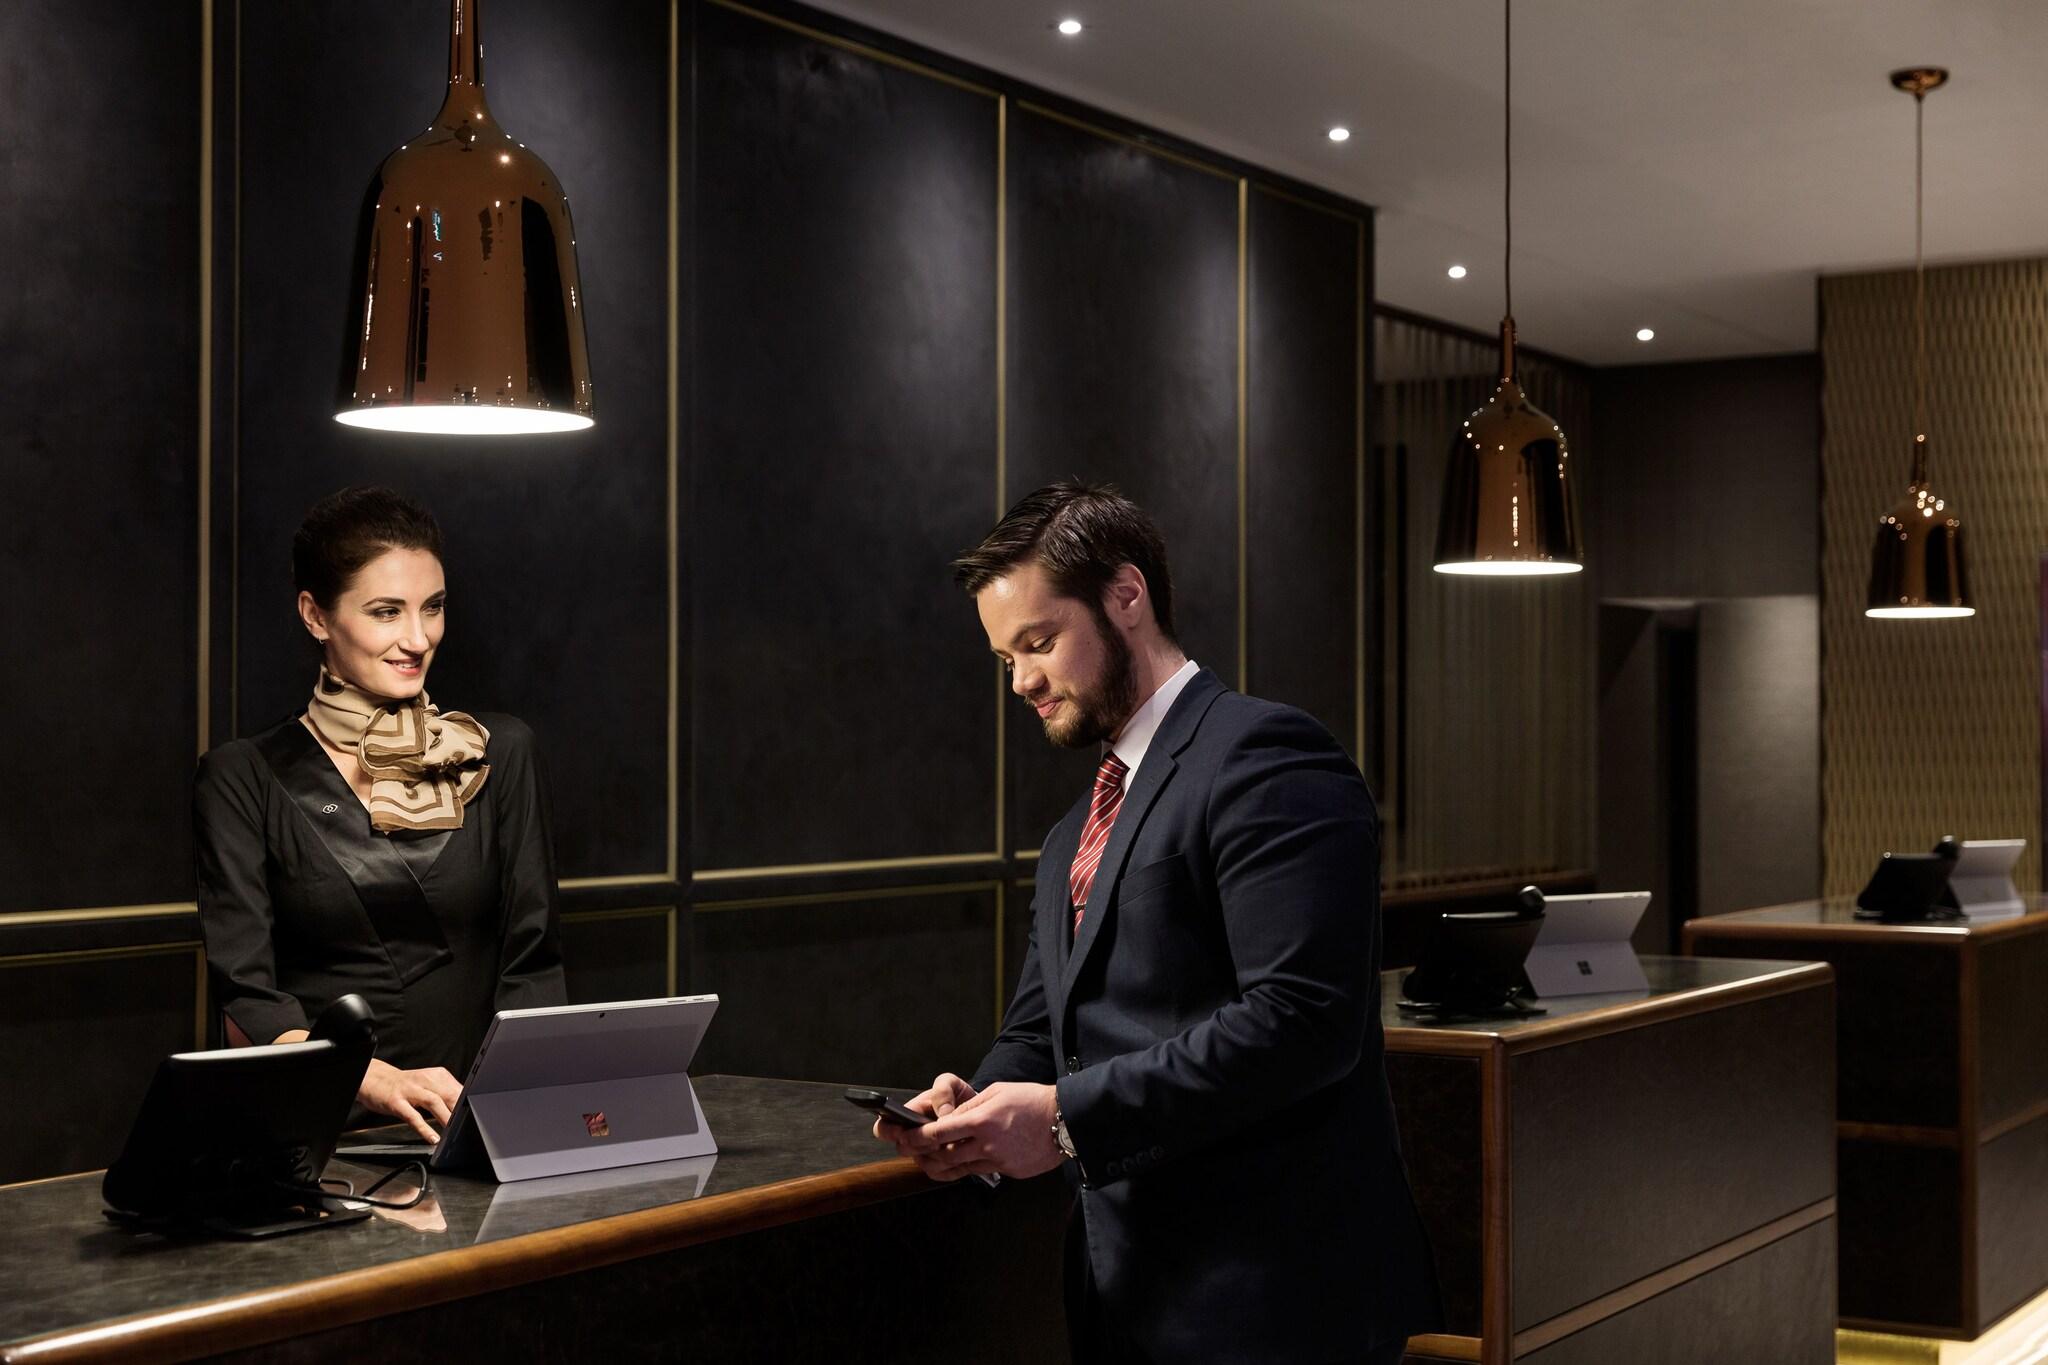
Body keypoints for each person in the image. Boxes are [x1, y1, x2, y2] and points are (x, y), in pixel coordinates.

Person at [877, 482, 1440, 1364]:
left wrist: (1062, 1119)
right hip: (1127, 1296)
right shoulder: (1071, 835)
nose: (1022, 680)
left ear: (1126, 595)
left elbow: (1301, 1022)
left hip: (1276, 1301)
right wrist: (973, 1113)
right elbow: (1043, 1030)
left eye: (1039, 642)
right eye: (1005, 658)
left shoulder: (1267, 755)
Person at [194, 486, 566, 1142]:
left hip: (479, 1124)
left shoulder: (498, 752)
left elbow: (533, 967)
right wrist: (374, 1078)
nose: (418, 638)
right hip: (324, 1132)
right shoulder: (243, 776)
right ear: (315, 615)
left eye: (433, 607)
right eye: (386, 612)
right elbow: (250, 998)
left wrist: (512, 1118)